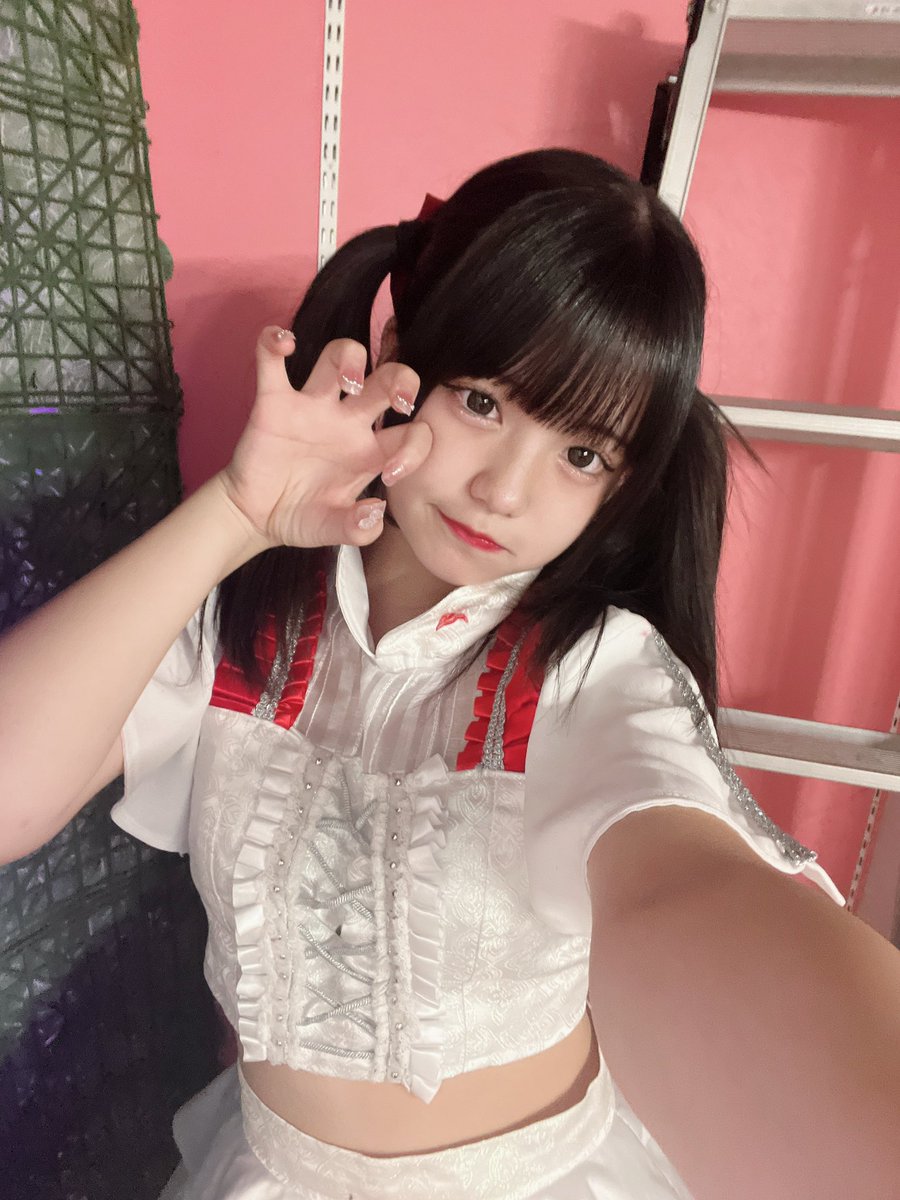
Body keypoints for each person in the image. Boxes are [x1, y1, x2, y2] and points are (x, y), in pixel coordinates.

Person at [1, 148, 898, 1200]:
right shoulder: (247, 619)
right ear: (398, 358)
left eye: (582, 455)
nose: (506, 491)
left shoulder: (594, 672)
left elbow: (687, 887)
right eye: (482, 402)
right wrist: (235, 516)